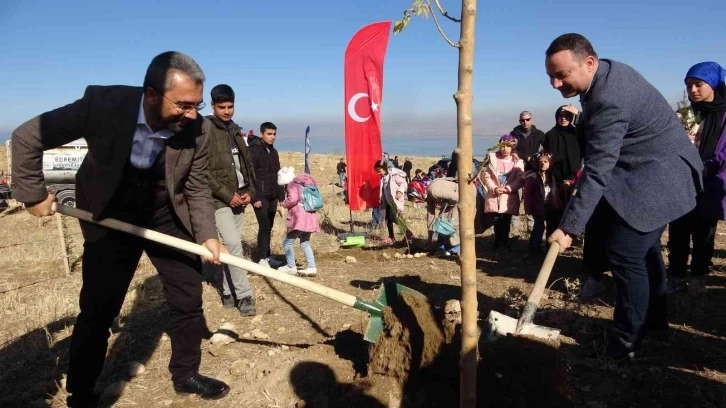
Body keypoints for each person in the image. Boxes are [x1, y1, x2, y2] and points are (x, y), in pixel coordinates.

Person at [11, 52, 232, 406]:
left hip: (165, 217)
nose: (192, 114)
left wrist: (207, 234)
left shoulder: (198, 129)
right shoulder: (103, 105)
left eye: (197, 104)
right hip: (109, 216)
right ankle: (81, 393)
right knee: (99, 310)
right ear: (152, 95)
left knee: (188, 298)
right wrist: (32, 194)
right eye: (184, 105)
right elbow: (26, 137)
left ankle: (186, 373)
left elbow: (196, 186)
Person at [545, 34, 703, 360]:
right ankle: (656, 325)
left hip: (660, 178)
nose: (555, 83)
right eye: (551, 75)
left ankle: (626, 341)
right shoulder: (607, 72)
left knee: (623, 252)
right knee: (645, 254)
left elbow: (598, 170)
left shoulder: (609, 98)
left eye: (562, 75)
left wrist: (569, 227)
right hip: (647, 172)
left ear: (589, 62)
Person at [667, 62, 726, 296]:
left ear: (713, 84)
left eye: (698, 84)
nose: (692, 90)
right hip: (682, 182)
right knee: (678, 231)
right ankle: (676, 276)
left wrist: (704, 168)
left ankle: (699, 275)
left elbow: (723, 152)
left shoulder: (723, 115)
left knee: (704, 233)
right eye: (688, 85)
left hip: (710, 183)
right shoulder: (686, 114)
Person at [204, 84, 257, 316]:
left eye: (230, 106)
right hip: (219, 201)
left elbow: (246, 165)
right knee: (235, 245)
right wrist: (227, 195)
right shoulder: (204, 129)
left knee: (230, 249)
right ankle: (244, 296)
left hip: (240, 198)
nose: (227, 111)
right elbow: (201, 171)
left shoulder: (235, 130)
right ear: (213, 105)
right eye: (221, 107)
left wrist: (251, 191)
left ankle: (227, 291)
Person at [249, 122, 285, 268]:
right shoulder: (254, 150)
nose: (272, 137)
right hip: (260, 195)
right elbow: (250, 175)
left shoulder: (274, 152)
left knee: (269, 226)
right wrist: (255, 197)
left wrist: (281, 195)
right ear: (261, 134)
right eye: (269, 134)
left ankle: (268, 256)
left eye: (274, 134)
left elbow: (278, 174)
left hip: (272, 195)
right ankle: (262, 258)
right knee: (264, 226)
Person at [483, 135, 525, 251]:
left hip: (508, 197)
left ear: (512, 147)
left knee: (506, 220)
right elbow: (487, 176)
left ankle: (504, 241)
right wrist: (494, 188)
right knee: (496, 219)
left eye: (507, 146)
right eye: (502, 146)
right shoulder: (493, 159)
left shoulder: (517, 162)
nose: (504, 149)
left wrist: (508, 188)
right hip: (494, 194)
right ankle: (497, 240)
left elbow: (519, 179)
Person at [277, 167, 320, 276]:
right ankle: (312, 267)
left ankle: (291, 266)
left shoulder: (292, 184)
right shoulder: (307, 184)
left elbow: (293, 199)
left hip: (299, 218)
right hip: (310, 217)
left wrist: (284, 203)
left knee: (287, 242)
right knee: (305, 242)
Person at [522, 150, 564, 255]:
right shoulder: (533, 177)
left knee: (550, 225)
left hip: (550, 205)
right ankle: (535, 246)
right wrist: (528, 208)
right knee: (539, 226)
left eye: (546, 161)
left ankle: (548, 246)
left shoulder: (553, 176)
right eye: (540, 161)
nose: (543, 164)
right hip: (537, 206)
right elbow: (527, 194)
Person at [374, 160, 410, 244]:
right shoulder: (383, 178)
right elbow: (383, 189)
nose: (379, 173)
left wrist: (400, 191)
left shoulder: (394, 175)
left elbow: (404, 183)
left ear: (384, 168)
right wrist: (381, 198)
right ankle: (391, 237)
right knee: (388, 219)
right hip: (387, 201)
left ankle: (407, 232)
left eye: (379, 171)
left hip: (394, 200)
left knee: (394, 217)